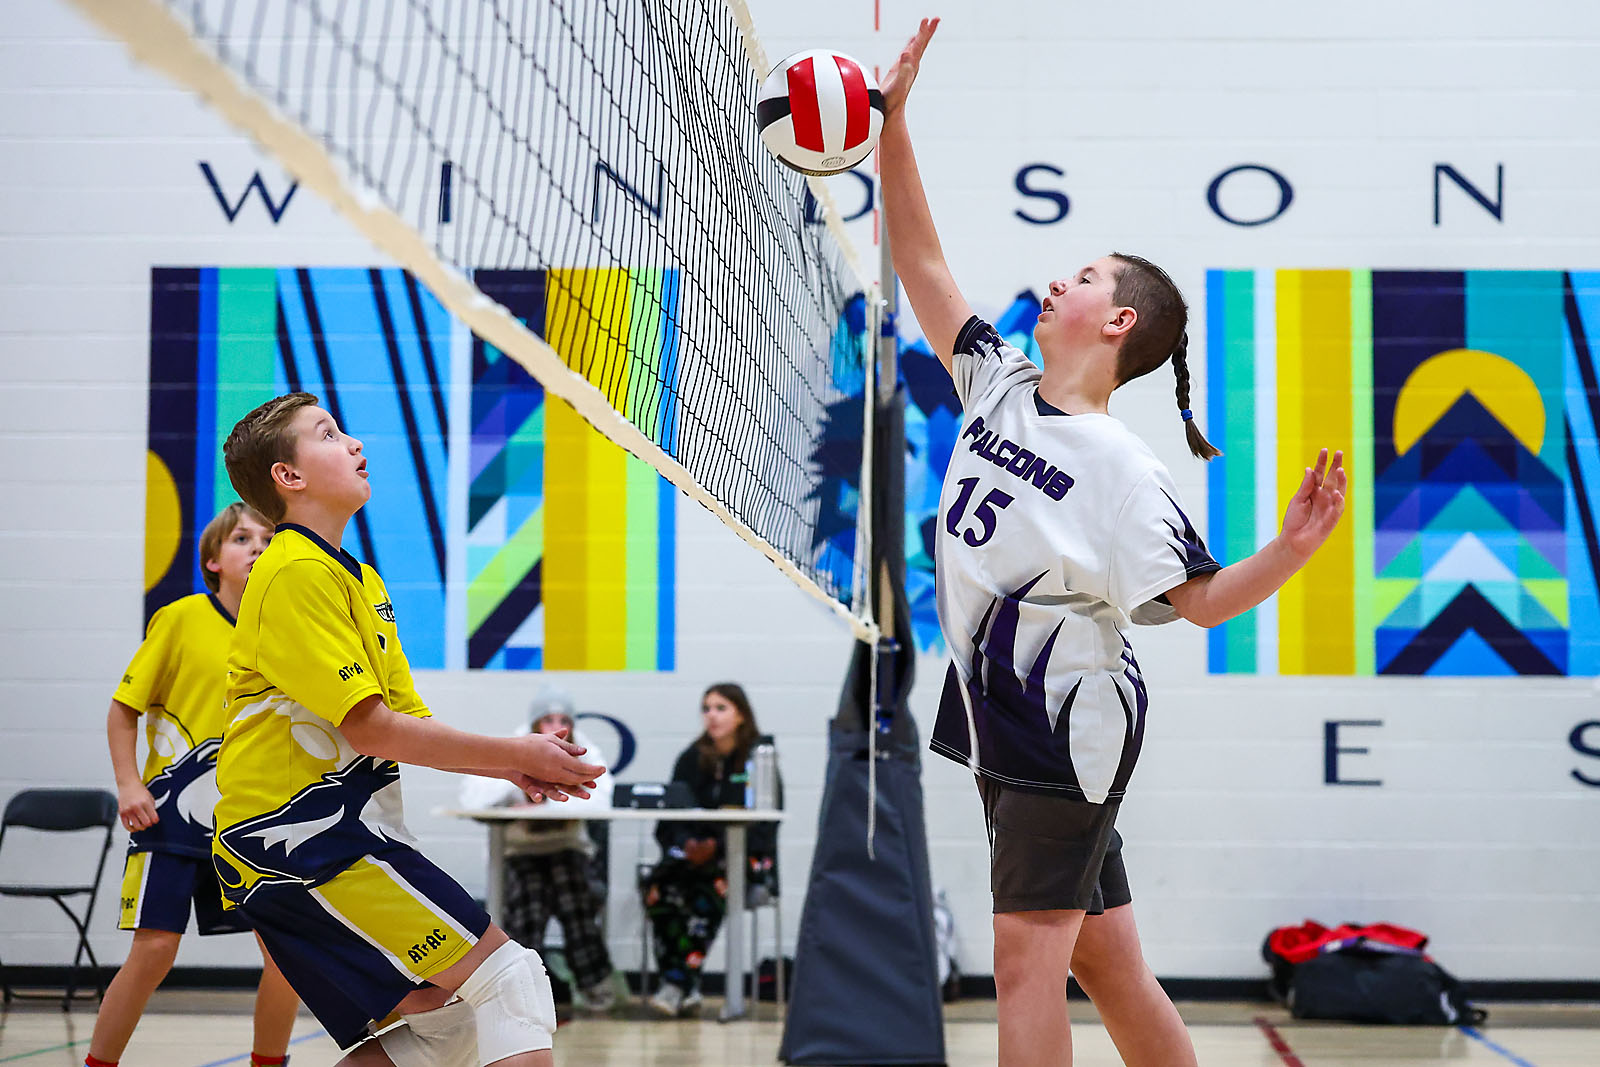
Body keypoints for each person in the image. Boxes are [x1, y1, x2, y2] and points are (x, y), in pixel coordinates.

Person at [878, 19, 1349, 1067]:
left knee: (1021, 962)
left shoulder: (1122, 467)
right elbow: (919, 256)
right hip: (1005, 705)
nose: (1055, 281)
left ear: (1118, 322)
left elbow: (1202, 600)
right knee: (1105, 960)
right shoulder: (996, 380)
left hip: (1063, 716)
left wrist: (1292, 546)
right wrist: (893, 123)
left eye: (1082, 276)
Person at [212, 392, 604, 1067]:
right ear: (289, 476)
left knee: (449, 1028)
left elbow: (404, 721)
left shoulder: (359, 580)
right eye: (329, 434)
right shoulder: (292, 571)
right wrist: (514, 750)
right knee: (511, 981)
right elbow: (370, 729)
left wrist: (510, 764)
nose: (355, 442)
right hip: (303, 845)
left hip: (331, 840)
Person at [87, 502, 299, 1067]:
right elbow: (122, 709)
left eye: (267, 539)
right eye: (241, 539)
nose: (257, 547)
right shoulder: (181, 617)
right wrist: (129, 783)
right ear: (213, 561)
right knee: (155, 950)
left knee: (289, 956)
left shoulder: (285, 631)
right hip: (170, 816)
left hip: (251, 820)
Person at [457, 690, 619, 1015]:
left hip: (567, 850)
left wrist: (547, 799)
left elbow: (600, 800)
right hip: (520, 853)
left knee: (573, 898)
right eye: (548, 721)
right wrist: (519, 775)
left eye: (563, 721)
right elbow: (474, 799)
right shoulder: (514, 747)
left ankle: (595, 983)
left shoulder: (585, 752)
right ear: (534, 723)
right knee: (528, 905)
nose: (556, 729)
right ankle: (524, 987)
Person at [642, 683, 780, 1018]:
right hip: (690, 858)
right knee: (659, 888)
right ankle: (684, 986)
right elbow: (669, 819)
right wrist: (687, 845)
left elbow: (766, 824)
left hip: (738, 859)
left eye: (721, 708)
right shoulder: (691, 759)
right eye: (706, 708)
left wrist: (716, 847)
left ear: (741, 715)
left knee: (709, 889)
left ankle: (676, 984)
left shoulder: (757, 760)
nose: (712, 716)